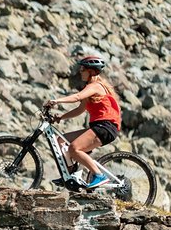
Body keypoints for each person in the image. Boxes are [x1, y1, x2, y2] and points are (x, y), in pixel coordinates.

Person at [44, 56, 121, 189]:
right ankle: (70, 175)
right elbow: (80, 110)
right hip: (99, 126)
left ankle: (99, 175)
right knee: (60, 140)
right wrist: (60, 118)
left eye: (82, 69)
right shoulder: (90, 88)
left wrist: (57, 101)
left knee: (74, 148)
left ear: (91, 71)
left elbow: (77, 97)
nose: (80, 71)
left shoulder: (95, 86)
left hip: (105, 127)